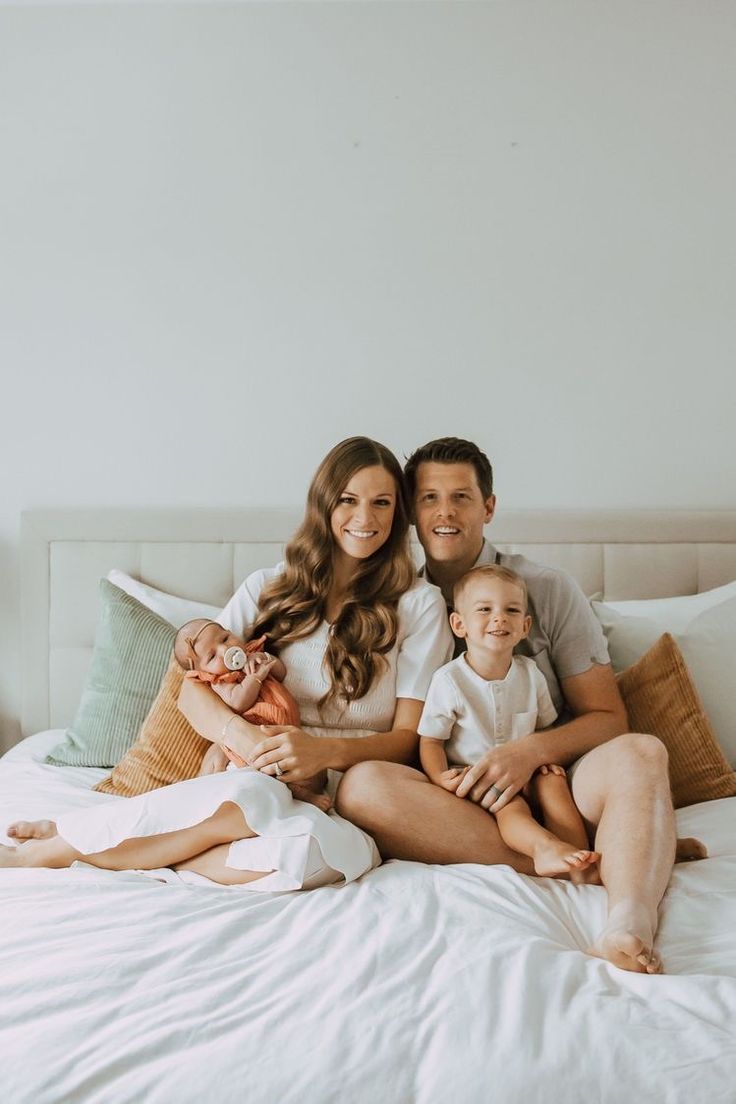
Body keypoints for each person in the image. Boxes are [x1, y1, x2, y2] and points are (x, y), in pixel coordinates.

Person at [2, 437, 452, 892]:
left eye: (382, 503)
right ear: (323, 504)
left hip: (343, 794)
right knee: (248, 799)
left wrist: (325, 752)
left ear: (398, 515)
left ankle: (144, 849)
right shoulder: (269, 587)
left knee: (311, 858)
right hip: (256, 773)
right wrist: (242, 737)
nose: (365, 518)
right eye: (349, 500)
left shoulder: (420, 605)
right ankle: (53, 853)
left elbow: (408, 739)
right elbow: (191, 687)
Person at [336, 436, 703, 974]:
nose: (445, 513)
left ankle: (630, 917)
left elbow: (608, 718)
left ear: (488, 507)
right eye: (429, 498)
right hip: (457, 796)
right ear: (412, 511)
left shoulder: (545, 590)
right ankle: (590, 858)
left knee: (642, 751)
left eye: (461, 497)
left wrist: (528, 753)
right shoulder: (388, 599)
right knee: (362, 787)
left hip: (559, 777)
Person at [418, 563, 599, 882]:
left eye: (511, 610)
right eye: (485, 609)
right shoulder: (450, 681)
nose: (499, 618)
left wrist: (548, 763)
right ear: (459, 624)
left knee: (555, 785)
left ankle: (580, 862)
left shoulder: (530, 674)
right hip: (480, 778)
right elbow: (430, 740)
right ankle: (543, 848)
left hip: (527, 769)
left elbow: (544, 729)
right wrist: (438, 777)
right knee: (509, 803)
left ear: (525, 625)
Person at [174, 618, 332, 812]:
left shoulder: (253, 654)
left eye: (225, 638)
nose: (225, 651)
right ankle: (300, 794)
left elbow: (281, 674)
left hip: (284, 727)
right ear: (202, 671)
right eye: (212, 656)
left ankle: (305, 788)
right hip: (256, 732)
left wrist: (267, 662)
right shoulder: (221, 681)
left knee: (316, 769)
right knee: (271, 770)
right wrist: (255, 678)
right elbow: (238, 701)